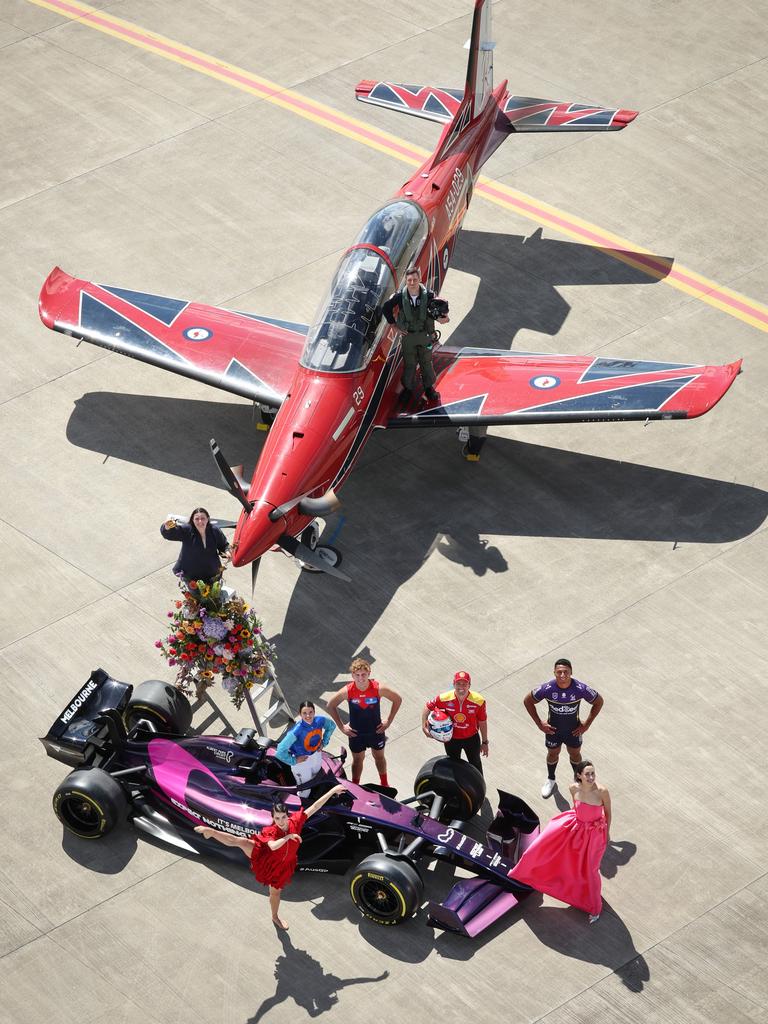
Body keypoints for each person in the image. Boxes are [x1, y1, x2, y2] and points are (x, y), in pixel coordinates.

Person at [194, 784, 346, 930]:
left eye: (283, 817)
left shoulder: (295, 821)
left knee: (275, 893)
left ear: (288, 816)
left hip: (281, 867)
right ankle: (211, 832)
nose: (281, 822)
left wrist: (333, 791)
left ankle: (275, 916)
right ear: (273, 818)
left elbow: (315, 806)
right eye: (277, 818)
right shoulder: (272, 831)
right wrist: (288, 837)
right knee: (240, 841)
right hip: (265, 856)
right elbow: (272, 846)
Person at [509, 760, 611, 923]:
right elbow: (576, 807)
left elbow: (608, 812)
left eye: (593, 773)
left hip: (594, 835)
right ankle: (522, 874)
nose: (591, 777)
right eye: (587, 774)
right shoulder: (573, 788)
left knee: (590, 870)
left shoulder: (602, 791)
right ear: (579, 775)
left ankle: (594, 908)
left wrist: (607, 832)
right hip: (576, 828)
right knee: (541, 848)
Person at [524, 658, 603, 799]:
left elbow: (599, 701)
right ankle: (551, 779)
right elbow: (528, 700)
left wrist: (587, 724)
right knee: (553, 753)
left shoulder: (580, 689)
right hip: (553, 731)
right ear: (554, 672)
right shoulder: (547, 688)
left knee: (575, 754)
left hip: (573, 731)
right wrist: (539, 723)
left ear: (571, 672)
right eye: (559, 672)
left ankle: (579, 782)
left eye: (565, 672)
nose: (562, 675)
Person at [326, 658, 401, 788]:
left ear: (369, 673)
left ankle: (384, 783)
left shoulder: (378, 688)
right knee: (358, 760)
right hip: (356, 734)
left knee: (379, 757)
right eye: (357, 675)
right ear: (352, 675)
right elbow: (330, 705)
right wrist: (342, 727)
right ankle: (355, 785)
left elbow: (397, 699)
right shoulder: (347, 691)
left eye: (363, 674)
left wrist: (388, 721)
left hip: (376, 732)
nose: (361, 678)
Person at [381, 265, 449, 402]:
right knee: (409, 364)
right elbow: (386, 307)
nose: (412, 283)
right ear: (406, 281)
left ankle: (429, 388)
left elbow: (442, 315)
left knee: (426, 363)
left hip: (425, 336)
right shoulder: (400, 297)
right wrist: (393, 325)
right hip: (408, 337)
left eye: (415, 280)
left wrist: (444, 318)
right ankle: (408, 389)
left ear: (419, 280)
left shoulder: (429, 296)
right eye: (409, 280)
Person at [422, 670, 488, 774]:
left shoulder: (479, 701)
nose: (461, 686)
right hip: (452, 739)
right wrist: (424, 726)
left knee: (475, 765)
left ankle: (479, 790)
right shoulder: (444, 698)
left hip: (471, 738)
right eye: (458, 683)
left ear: (469, 685)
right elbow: (427, 707)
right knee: (453, 768)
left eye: (464, 684)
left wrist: (485, 742)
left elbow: (482, 722)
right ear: (454, 684)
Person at [275, 701, 336, 795]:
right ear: (300, 714)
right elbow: (280, 751)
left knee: (316, 778)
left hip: (316, 756)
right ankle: (303, 807)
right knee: (305, 790)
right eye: (304, 713)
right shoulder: (296, 730)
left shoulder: (320, 720)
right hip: (302, 763)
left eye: (310, 712)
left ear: (314, 712)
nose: (308, 715)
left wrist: (324, 742)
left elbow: (331, 726)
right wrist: (294, 761)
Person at [160, 507, 230, 584]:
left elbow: (223, 545)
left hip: (212, 572)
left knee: (215, 594)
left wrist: (227, 552)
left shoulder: (215, 530)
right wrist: (166, 527)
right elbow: (170, 534)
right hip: (191, 576)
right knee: (196, 595)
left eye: (203, 518)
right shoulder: (187, 530)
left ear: (208, 519)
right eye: (197, 519)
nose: (200, 521)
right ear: (192, 520)